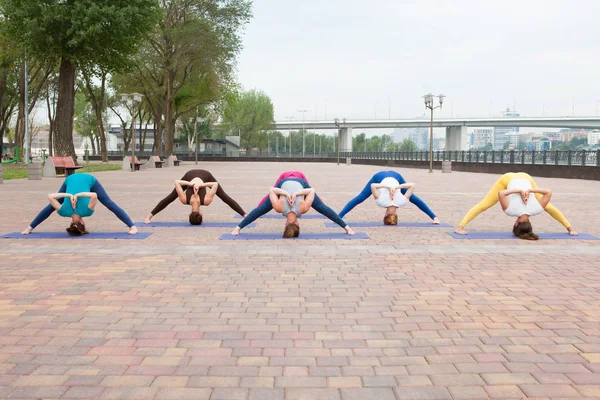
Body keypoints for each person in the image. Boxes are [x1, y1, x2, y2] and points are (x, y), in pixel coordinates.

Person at [454, 172, 577, 239]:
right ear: (516, 224)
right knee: (484, 205)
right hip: (509, 179)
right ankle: (460, 227)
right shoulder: (511, 211)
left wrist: (529, 190)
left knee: (549, 207)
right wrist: (522, 190)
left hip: (526, 177)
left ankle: (571, 228)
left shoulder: (537, 209)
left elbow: (548, 192)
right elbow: (501, 194)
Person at [231, 172, 355, 237]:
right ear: (285, 224)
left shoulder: (303, 208)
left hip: (287, 184)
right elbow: (311, 190)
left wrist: (286, 192)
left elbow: (312, 190)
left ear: (298, 224)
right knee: (322, 208)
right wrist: (296, 193)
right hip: (297, 184)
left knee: (261, 209)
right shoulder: (279, 207)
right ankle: (347, 228)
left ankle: (347, 228)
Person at [22, 173, 137, 235]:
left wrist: (72, 195)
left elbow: (94, 195)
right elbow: (50, 196)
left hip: (82, 179)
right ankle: (29, 228)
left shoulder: (87, 212)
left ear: (83, 222)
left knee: (109, 204)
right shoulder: (63, 211)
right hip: (71, 179)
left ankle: (133, 227)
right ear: (71, 223)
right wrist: (72, 195)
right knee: (51, 207)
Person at [338, 170, 440, 225]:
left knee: (413, 198)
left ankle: (435, 217)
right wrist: (395, 187)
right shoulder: (381, 202)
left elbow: (412, 185)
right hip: (387, 178)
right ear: (385, 215)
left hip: (392, 176)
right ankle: (339, 217)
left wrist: (393, 186)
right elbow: (373, 185)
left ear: (396, 214)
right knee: (360, 198)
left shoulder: (402, 202)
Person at [145, 169, 246, 224]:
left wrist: (193, 184)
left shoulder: (206, 201)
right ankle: (148, 217)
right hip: (195, 175)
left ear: (201, 215)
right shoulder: (185, 200)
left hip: (196, 176)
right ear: (189, 215)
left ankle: (245, 216)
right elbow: (177, 182)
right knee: (170, 197)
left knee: (224, 197)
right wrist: (199, 184)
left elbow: (214, 184)